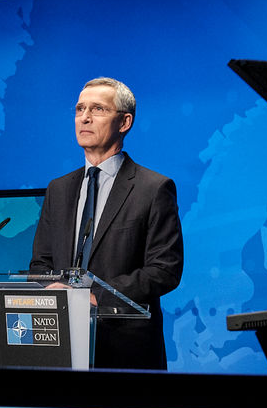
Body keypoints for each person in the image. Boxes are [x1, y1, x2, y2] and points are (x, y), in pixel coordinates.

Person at [29, 77, 183, 370]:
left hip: (127, 352)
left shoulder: (153, 188)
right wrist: (55, 295)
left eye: (98, 109)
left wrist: (92, 296)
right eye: (79, 109)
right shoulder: (59, 189)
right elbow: (40, 264)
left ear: (124, 122)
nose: (84, 117)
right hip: (64, 347)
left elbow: (164, 270)